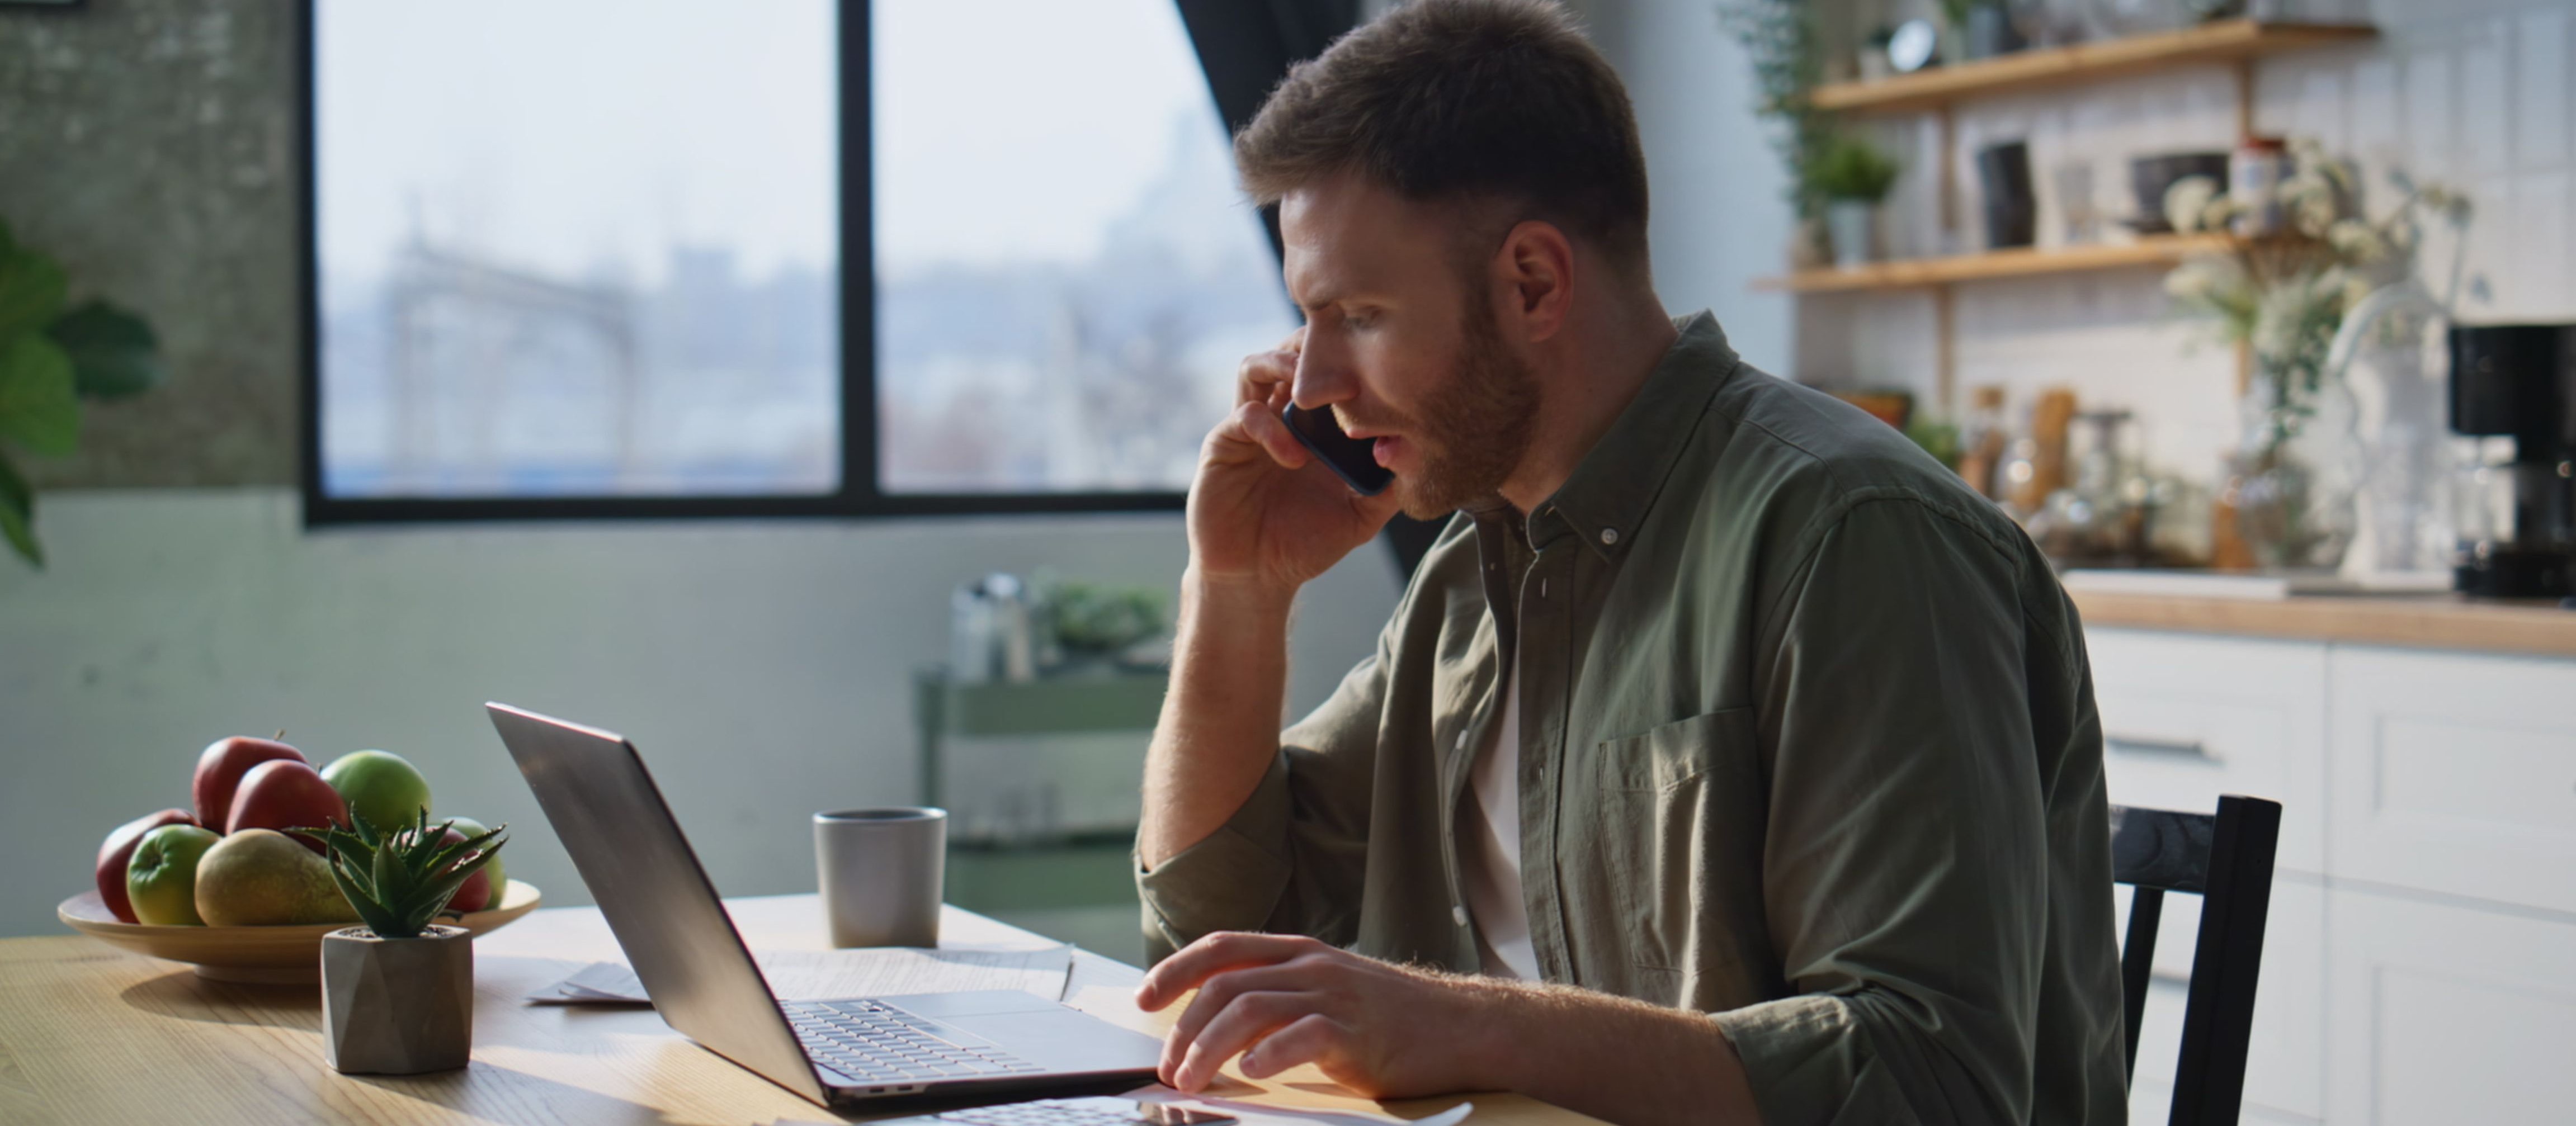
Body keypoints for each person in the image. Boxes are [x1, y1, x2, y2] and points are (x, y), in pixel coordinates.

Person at [1129, 2, 2127, 1122]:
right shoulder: (1473, 571)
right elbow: (1209, 930)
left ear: (1532, 284)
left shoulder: (1855, 536)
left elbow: (1927, 1075)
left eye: (1356, 313)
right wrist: (1234, 588)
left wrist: (1455, 1022)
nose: (1307, 382)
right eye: (1307, 319)